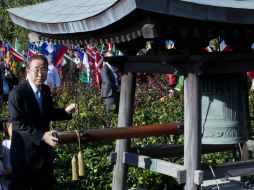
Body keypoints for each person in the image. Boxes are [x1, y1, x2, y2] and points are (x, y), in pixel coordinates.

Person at [8, 54, 77, 190]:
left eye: (44, 70)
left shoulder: (45, 90)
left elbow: (47, 113)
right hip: (25, 156)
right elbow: (18, 123)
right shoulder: (17, 93)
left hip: (44, 155)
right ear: (28, 71)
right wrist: (42, 135)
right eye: (36, 70)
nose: (40, 74)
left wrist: (66, 111)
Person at [100, 51, 120, 116]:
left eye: (113, 57)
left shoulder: (114, 68)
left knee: (117, 113)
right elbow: (107, 82)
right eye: (110, 57)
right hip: (109, 94)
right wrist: (118, 87)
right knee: (111, 114)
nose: (112, 59)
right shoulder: (104, 69)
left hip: (115, 93)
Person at [0, 119, 12, 190]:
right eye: (10, 127)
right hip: (6, 178)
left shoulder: (22, 144)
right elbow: (3, 159)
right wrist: (4, 172)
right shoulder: (5, 143)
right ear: (7, 129)